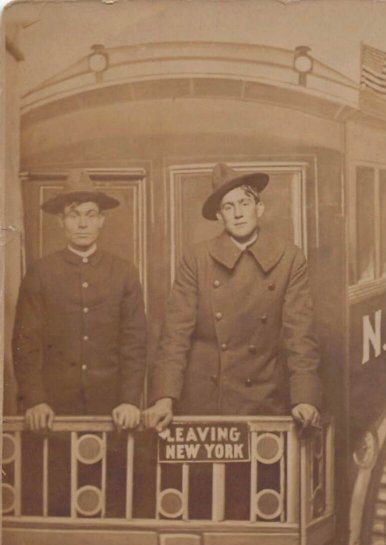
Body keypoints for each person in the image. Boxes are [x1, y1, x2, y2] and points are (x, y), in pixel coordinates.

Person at [144, 162, 321, 429]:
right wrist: (164, 398)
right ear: (219, 216)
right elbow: (175, 334)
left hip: (263, 396)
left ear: (259, 208)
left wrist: (305, 399)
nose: (238, 214)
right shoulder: (197, 258)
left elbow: (300, 335)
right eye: (228, 207)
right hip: (205, 400)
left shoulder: (290, 258)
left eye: (244, 203)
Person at [13, 170, 147, 519]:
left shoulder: (124, 273)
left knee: (113, 500)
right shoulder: (41, 273)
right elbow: (26, 342)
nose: (82, 223)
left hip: (112, 411)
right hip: (54, 412)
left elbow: (135, 343)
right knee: (55, 501)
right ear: (62, 221)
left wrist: (130, 401)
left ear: (102, 220)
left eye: (90, 214)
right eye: (74, 215)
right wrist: (36, 400)